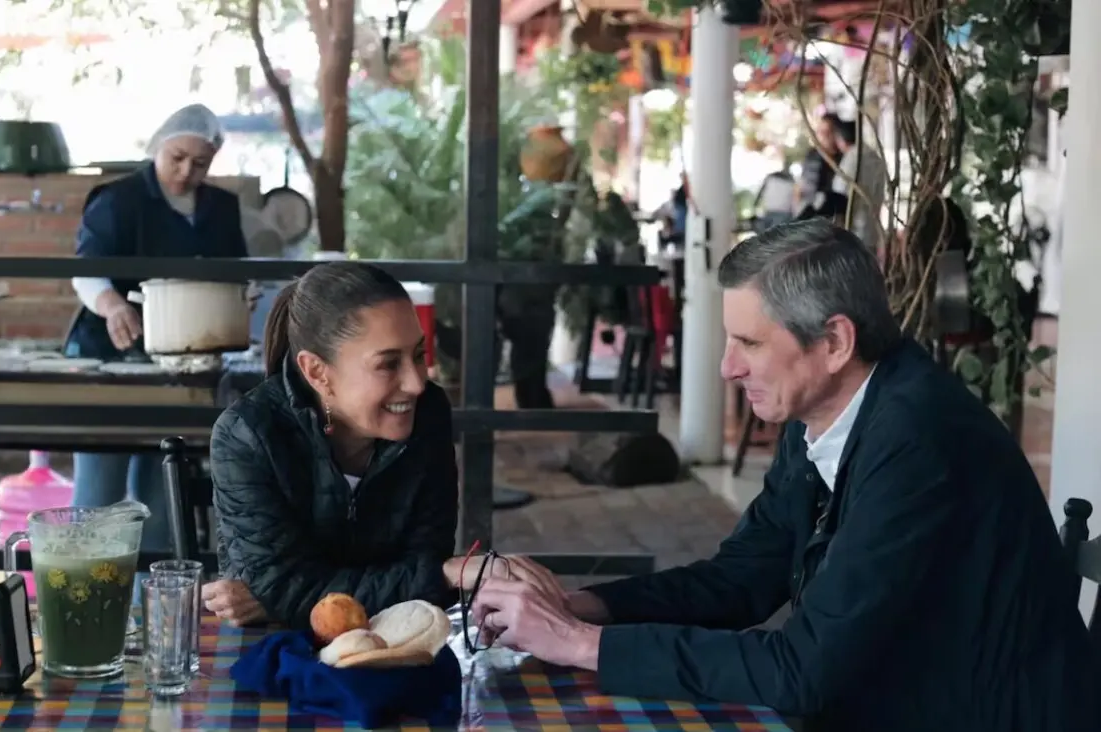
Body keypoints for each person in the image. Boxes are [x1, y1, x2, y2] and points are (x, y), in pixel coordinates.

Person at [470, 219, 1098, 731]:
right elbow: (741, 577)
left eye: (749, 343)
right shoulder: (823, 412)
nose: (726, 368)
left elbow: (802, 671)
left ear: (834, 342)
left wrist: (581, 644)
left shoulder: (918, 441)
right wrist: (587, 606)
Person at [201, 262, 562, 627]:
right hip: (272, 655)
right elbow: (286, 589)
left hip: (391, 642)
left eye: (419, 355)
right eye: (388, 364)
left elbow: (420, 564)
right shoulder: (247, 435)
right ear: (316, 371)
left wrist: (290, 596)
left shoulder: (428, 413)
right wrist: (446, 575)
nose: (417, 383)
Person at [63, 103, 249, 553]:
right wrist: (112, 307)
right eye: (177, 158)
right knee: (98, 491)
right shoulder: (120, 199)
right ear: (157, 149)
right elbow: (87, 269)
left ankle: (159, 602)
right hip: (108, 353)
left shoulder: (220, 208)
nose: (186, 171)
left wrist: (238, 300)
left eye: (199, 163)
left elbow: (235, 273)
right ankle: (78, 591)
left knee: (164, 488)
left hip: (178, 360)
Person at [829, 119, 886, 253]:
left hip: (853, 231)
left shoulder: (850, 160)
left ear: (840, 138)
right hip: (872, 230)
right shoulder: (876, 158)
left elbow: (839, 194)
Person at [794, 112, 842, 220]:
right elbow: (801, 185)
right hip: (810, 214)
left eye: (828, 131)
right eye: (821, 131)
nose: (824, 135)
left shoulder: (842, 159)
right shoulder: (811, 155)